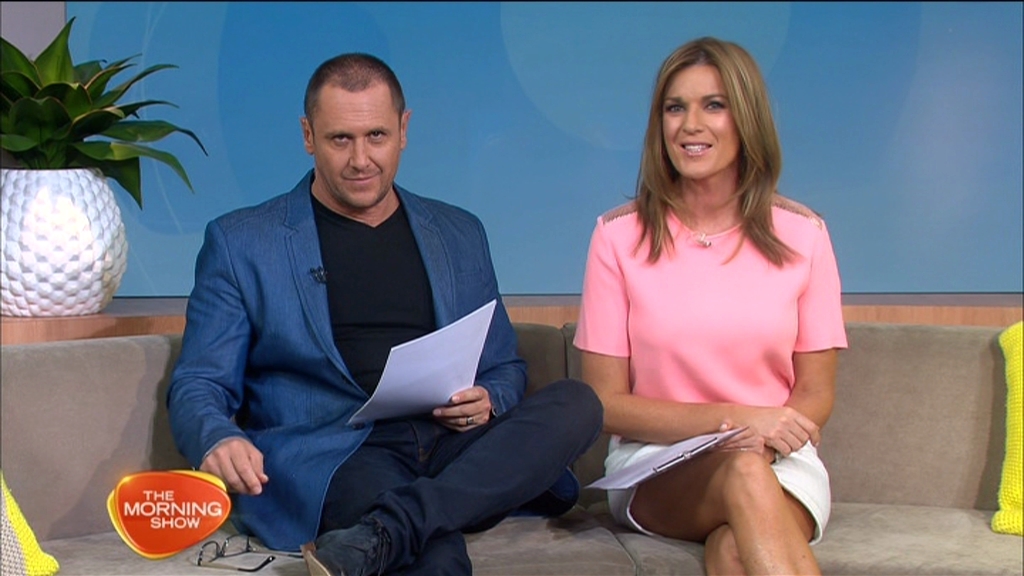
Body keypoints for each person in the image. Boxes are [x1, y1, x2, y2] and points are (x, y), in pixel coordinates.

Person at [167, 52, 603, 576]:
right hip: (339, 454)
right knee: (437, 561)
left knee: (578, 402)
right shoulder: (242, 243)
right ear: (308, 136)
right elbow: (198, 383)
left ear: (404, 130)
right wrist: (217, 437)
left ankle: (386, 531)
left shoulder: (459, 233)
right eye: (340, 139)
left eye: (376, 136)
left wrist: (489, 398)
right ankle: (414, 522)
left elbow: (504, 367)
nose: (361, 160)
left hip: (452, 443)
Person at [574, 37, 848, 576]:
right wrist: (736, 423)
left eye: (714, 105)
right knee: (742, 471)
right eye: (675, 108)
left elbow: (816, 392)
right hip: (657, 464)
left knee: (735, 546)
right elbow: (604, 404)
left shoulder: (805, 235)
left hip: (777, 459)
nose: (690, 125)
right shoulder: (617, 237)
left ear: (746, 119)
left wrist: (765, 442)